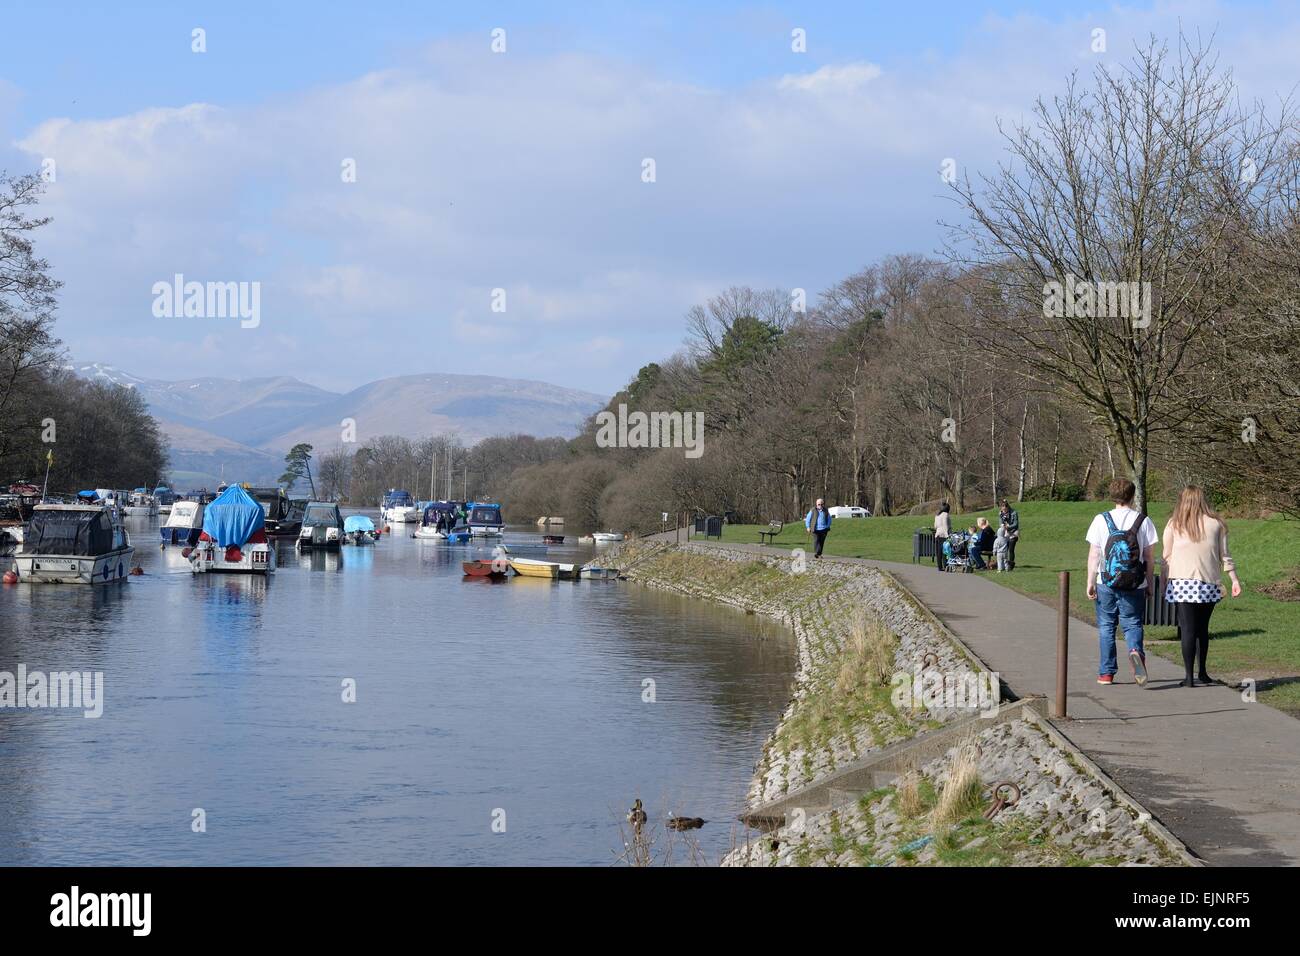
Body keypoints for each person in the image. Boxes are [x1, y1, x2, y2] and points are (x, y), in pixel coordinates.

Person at [1162, 485, 1242, 687]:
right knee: (1202, 629)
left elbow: (1166, 556)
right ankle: (1203, 673)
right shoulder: (1217, 524)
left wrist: (1164, 580)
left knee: (1188, 629)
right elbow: (1225, 556)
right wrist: (1234, 580)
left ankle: (1189, 677)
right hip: (1208, 582)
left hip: (1181, 582)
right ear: (1202, 500)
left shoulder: (1175, 524)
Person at [1085, 478, 1158, 686]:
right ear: (1132, 495)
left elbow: (1095, 554)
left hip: (1105, 582)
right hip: (1135, 583)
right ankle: (1135, 652)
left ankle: (1106, 673)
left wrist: (1090, 581)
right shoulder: (1143, 520)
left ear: (1112, 495)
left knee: (1107, 626)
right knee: (1132, 623)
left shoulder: (1101, 519)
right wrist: (1149, 584)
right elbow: (1149, 557)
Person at [998, 499, 1020, 569]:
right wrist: (1002, 526)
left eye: (1005, 510)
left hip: (1014, 532)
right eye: (1002, 510)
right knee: (1004, 548)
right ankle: (1004, 564)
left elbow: (1016, 524)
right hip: (1005, 532)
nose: (1004, 511)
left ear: (1007, 507)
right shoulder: (1001, 513)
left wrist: (1008, 527)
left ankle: (1011, 564)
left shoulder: (1014, 513)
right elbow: (1000, 522)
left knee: (1011, 548)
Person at [933, 502, 951, 571]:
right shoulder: (946, 515)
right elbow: (946, 525)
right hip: (944, 535)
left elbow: (935, 526)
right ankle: (945, 565)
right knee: (945, 551)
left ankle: (939, 567)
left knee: (938, 552)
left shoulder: (937, 515)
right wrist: (948, 535)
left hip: (938, 534)